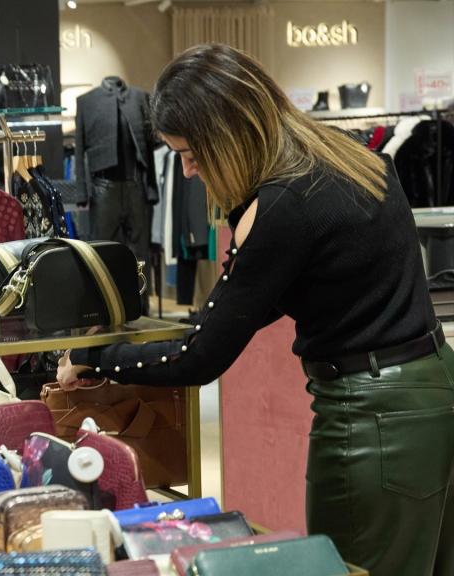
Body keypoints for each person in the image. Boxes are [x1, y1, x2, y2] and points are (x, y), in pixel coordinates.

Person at [58, 44, 454, 576]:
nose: (189, 171)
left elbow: (200, 359)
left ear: (227, 134)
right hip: (435, 392)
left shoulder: (283, 206)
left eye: (192, 153)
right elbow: (262, 303)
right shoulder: (355, 158)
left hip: (371, 422)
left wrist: (95, 356)